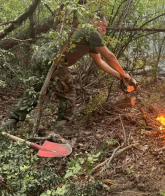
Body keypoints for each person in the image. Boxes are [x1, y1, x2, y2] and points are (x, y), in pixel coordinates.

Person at [1, 12, 134, 132]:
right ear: (94, 22)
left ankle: (11, 121)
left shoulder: (86, 33)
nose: (104, 29)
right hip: (53, 59)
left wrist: (121, 76)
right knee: (68, 93)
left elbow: (100, 62)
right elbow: (110, 57)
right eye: (103, 25)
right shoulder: (91, 31)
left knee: (35, 90)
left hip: (40, 55)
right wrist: (124, 74)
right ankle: (61, 127)